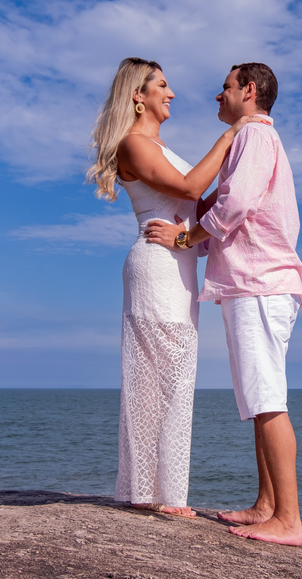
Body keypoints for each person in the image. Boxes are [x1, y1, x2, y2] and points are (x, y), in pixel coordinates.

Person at [146, 62, 302, 546]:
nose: (219, 96)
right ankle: (268, 505)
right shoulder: (251, 141)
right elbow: (218, 201)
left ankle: (289, 519)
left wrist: (185, 238)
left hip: (259, 283)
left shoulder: (254, 136)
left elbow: (235, 205)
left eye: (226, 87)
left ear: (249, 90)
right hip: (254, 283)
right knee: (259, 400)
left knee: (267, 399)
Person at [87, 57, 252, 518]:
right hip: (156, 266)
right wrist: (231, 134)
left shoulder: (158, 146)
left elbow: (198, 204)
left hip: (178, 265)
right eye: (162, 85)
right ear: (138, 96)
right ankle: (150, 492)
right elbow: (188, 187)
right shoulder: (133, 144)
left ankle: (154, 490)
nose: (171, 93)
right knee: (155, 377)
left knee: (174, 375)